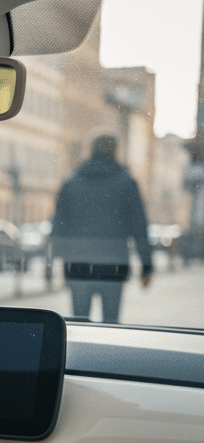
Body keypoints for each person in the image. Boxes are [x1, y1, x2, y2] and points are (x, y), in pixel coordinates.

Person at [51, 134, 152, 324]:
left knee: (79, 323)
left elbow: (58, 226)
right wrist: (146, 265)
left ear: (91, 150)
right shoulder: (127, 183)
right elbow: (139, 226)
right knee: (111, 324)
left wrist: (50, 263)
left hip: (77, 264)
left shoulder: (71, 183)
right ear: (115, 151)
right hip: (113, 264)